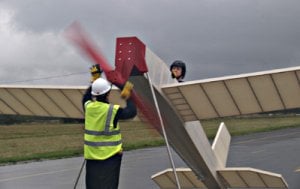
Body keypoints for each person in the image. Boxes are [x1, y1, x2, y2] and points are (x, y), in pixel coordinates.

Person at [82, 77, 137, 189]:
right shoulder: (112, 110)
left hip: (92, 157)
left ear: (94, 94)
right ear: (108, 93)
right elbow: (131, 112)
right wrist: (125, 90)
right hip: (111, 158)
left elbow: (86, 97)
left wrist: (95, 80)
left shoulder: (88, 107)